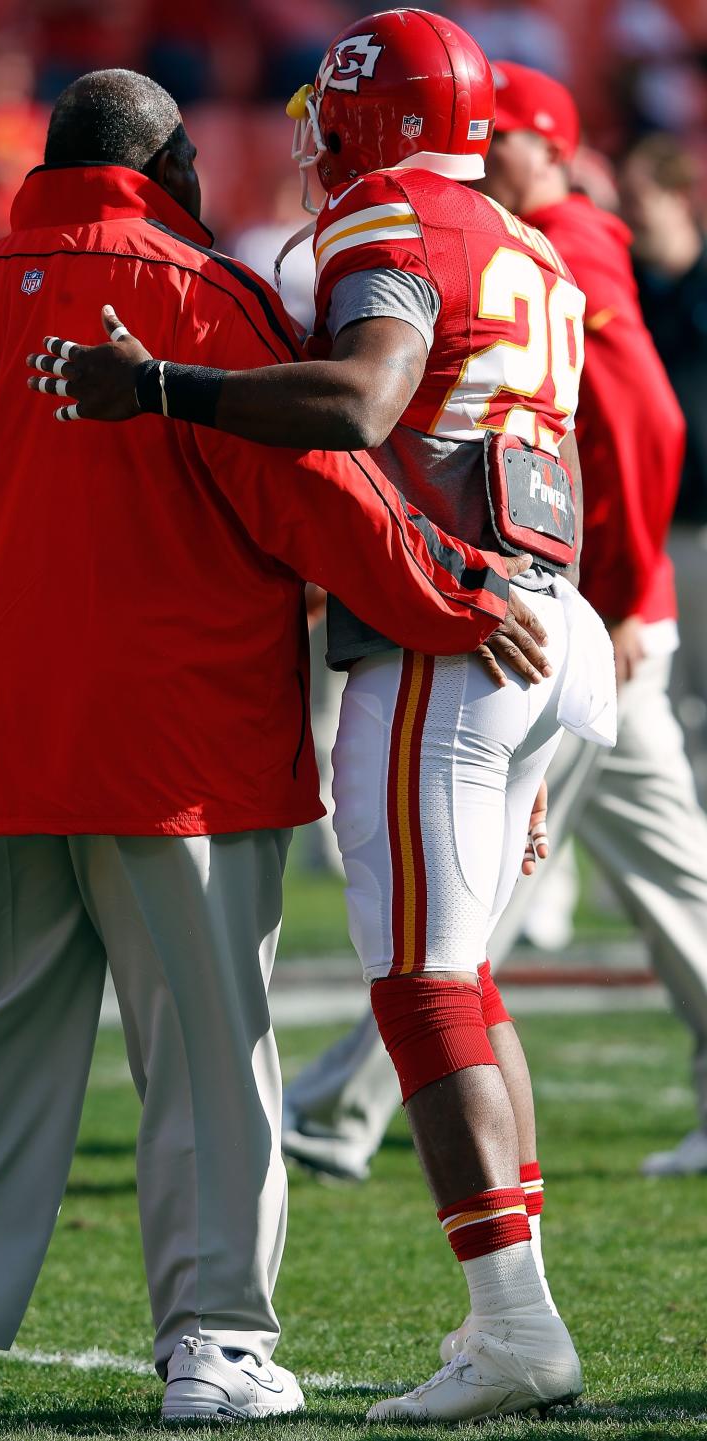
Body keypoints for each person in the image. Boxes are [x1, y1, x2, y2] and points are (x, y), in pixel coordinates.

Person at [0, 68, 537, 1422]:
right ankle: (216, 1343)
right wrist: (460, 592)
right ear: (176, 164)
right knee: (206, 1054)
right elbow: (328, 498)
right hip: (187, 753)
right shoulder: (202, 297)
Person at [28, 13, 617, 1422]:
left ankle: (515, 1322)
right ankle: (517, 1316)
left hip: (456, 636)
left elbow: (365, 402)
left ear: (369, 120)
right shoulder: (533, 243)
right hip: (554, 626)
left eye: (325, 114)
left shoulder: (387, 219)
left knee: (421, 985)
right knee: (457, 978)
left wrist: (159, 388)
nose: (308, 139)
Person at [280, 61, 707, 1188]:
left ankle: (495, 1288)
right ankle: (487, 1266)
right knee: (472, 956)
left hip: (488, 614)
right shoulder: (539, 246)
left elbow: (637, 424)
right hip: (538, 608)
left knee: (437, 966)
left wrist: (617, 589)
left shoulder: (461, 225)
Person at [620, 136, 707, 794]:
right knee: (665, 697)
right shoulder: (621, 283)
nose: (630, 211)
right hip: (652, 522)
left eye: (641, 197)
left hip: (702, 518)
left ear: (679, 197)